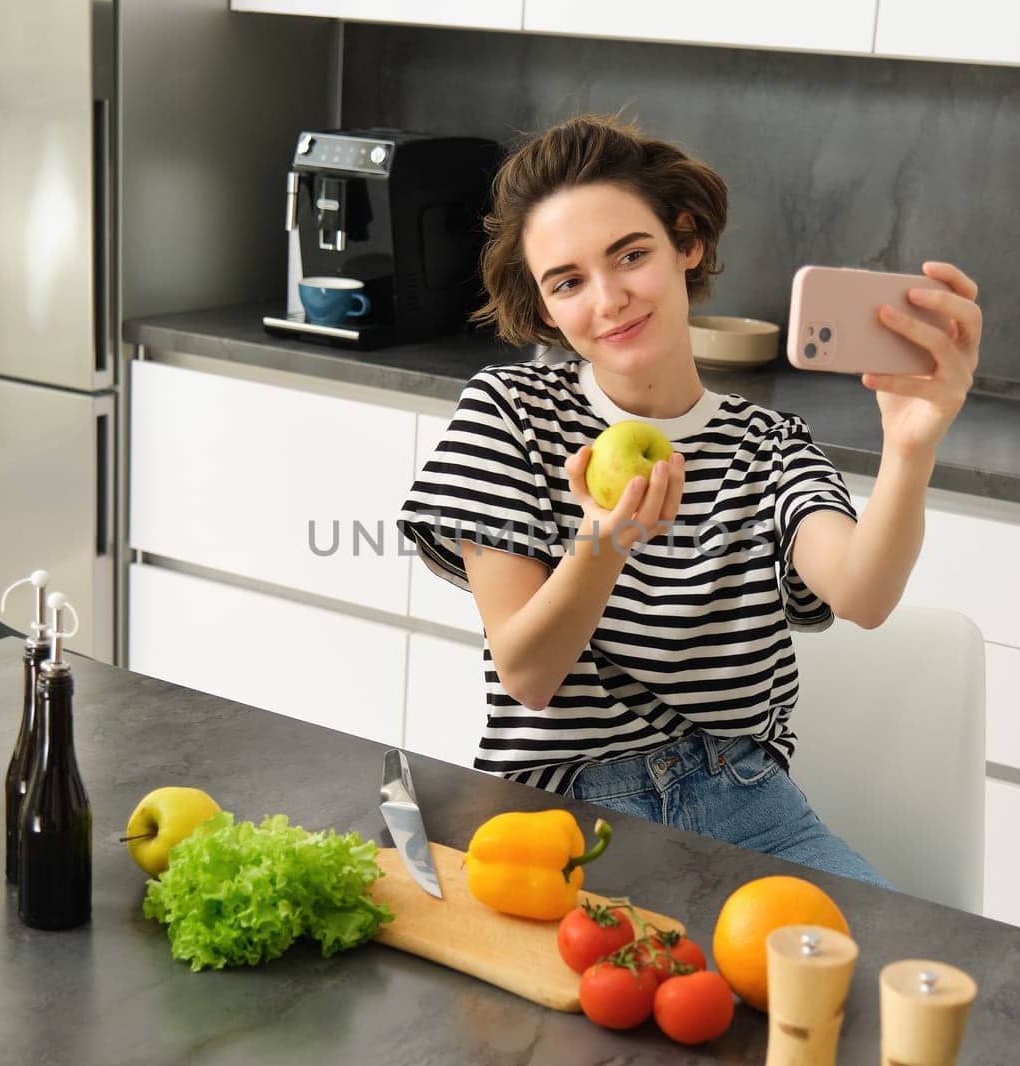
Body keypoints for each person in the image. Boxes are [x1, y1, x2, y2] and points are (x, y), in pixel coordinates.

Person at [398, 114, 981, 888]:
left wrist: (911, 448)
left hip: (749, 808)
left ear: (686, 243)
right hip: (559, 814)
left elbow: (863, 595)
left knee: (871, 976)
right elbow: (528, 674)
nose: (608, 299)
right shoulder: (508, 412)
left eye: (631, 255)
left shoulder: (769, 444)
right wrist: (605, 545)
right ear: (544, 310)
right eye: (568, 282)